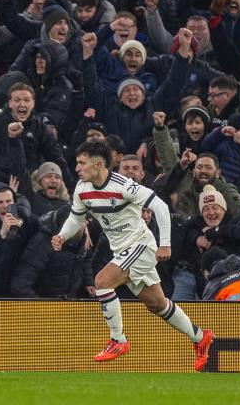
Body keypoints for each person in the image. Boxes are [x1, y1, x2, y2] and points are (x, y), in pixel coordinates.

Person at [50, 140, 214, 370]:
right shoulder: (82, 188)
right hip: (123, 251)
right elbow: (75, 219)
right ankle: (200, 337)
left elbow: (160, 206)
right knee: (158, 304)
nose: (77, 168)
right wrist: (62, 235)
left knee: (102, 282)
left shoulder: (124, 186)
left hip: (140, 246)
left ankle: (118, 340)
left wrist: (165, 245)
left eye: (81, 163)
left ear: (97, 165)